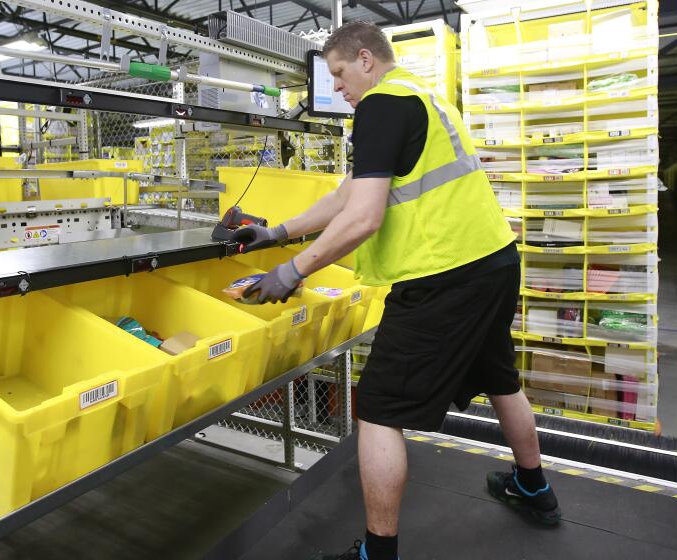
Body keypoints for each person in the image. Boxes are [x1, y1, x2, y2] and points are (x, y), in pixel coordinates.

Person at [233, 20, 560, 560]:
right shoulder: (424, 96)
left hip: (443, 275)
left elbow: (361, 218)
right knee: (500, 375)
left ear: (365, 59)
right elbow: (347, 195)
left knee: (379, 410)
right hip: (493, 263)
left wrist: (291, 272)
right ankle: (534, 488)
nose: (336, 88)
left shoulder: (382, 105)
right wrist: (277, 231)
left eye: (338, 74)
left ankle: (378, 554)